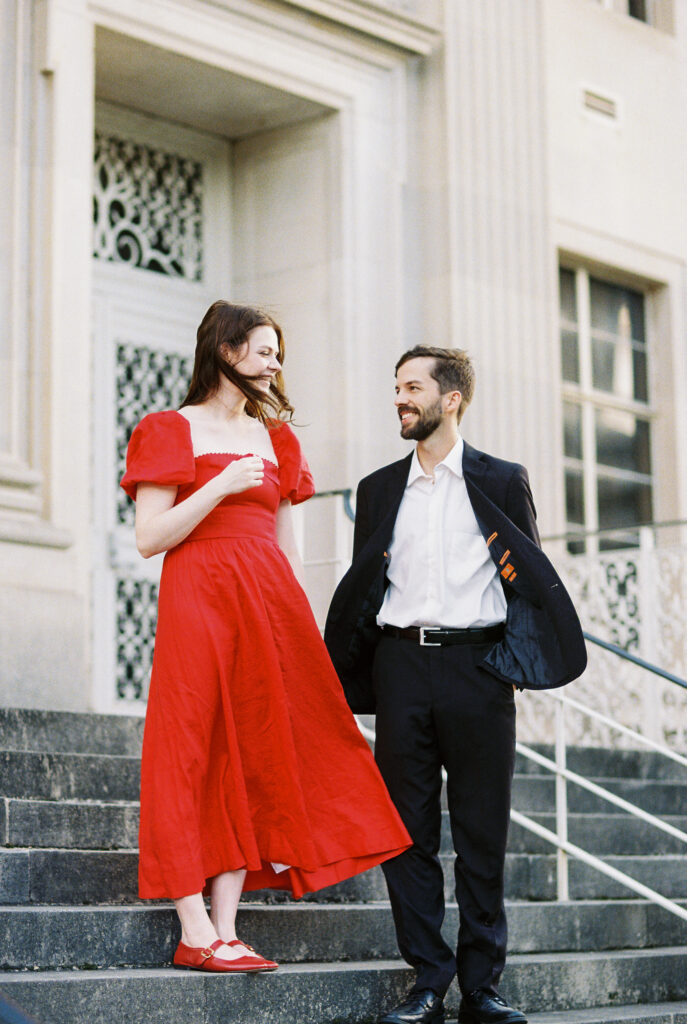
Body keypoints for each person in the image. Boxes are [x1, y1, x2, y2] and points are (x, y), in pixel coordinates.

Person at [120, 300, 410, 975]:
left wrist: (299, 632)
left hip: (267, 605)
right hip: (198, 595)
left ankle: (226, 927)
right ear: (225, 351)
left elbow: (283, 549)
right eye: (262, 349)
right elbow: (149, 538)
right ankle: (192, 927)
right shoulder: (169, 428)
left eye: (279, 351)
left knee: (251, 751)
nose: (275, 362)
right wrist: (219, 484)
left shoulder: (277, 440)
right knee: (190, 747)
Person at [325, 346, 587, 1024]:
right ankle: (427, 982)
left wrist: (512, 662)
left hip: (477, 670)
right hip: (400, 667)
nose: (399, 399)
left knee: (480, 833)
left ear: (452, 398)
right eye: (395, 388)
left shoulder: (501, 479)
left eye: (412, 388)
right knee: (404, 835)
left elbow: (527, 578)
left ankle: (482, 987)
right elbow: (363, 584)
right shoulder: (379, 488)